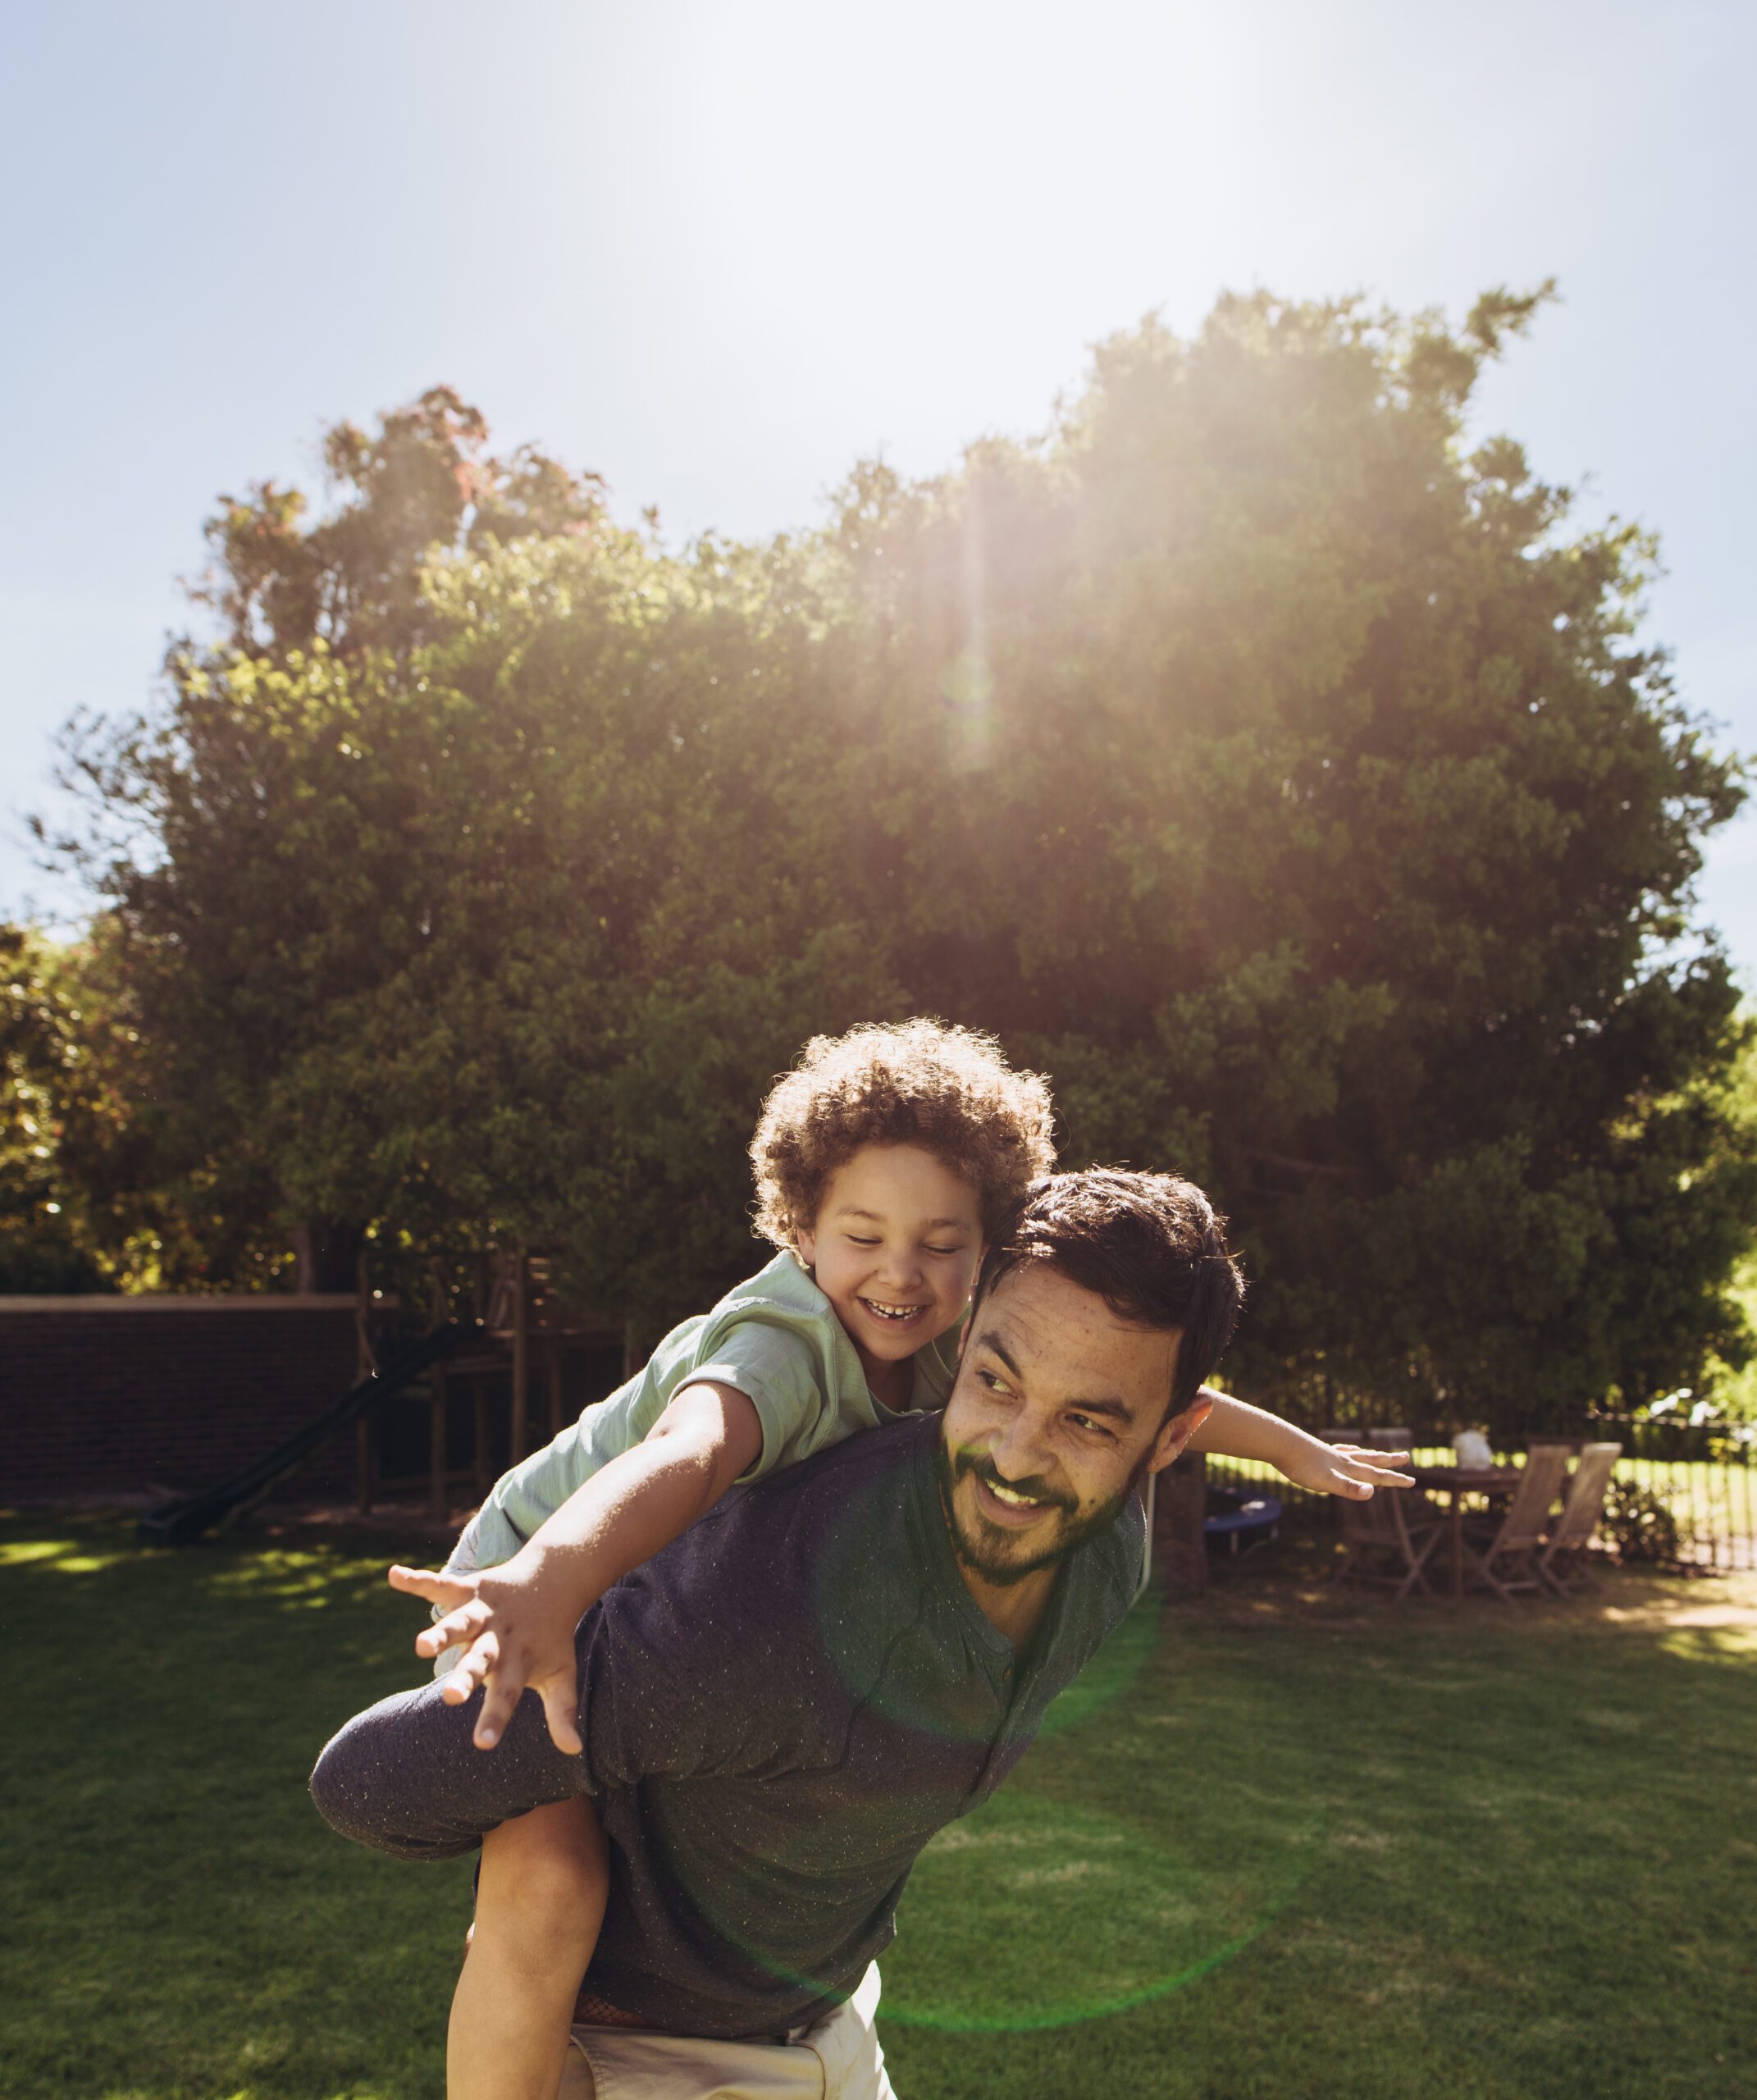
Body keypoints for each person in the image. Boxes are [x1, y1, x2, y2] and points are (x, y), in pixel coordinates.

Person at [313, 1167, 1409, 2100]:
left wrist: (1285, 1445)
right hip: (642, 2062)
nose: (1013, 1456)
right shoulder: (762, 1620)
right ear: (962, 1345)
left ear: (1166, 1443)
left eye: (1086, 1420)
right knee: (540, 1886)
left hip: (831, 2039)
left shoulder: (1104, 1554)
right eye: (995, 1382)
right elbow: (370, 1783)